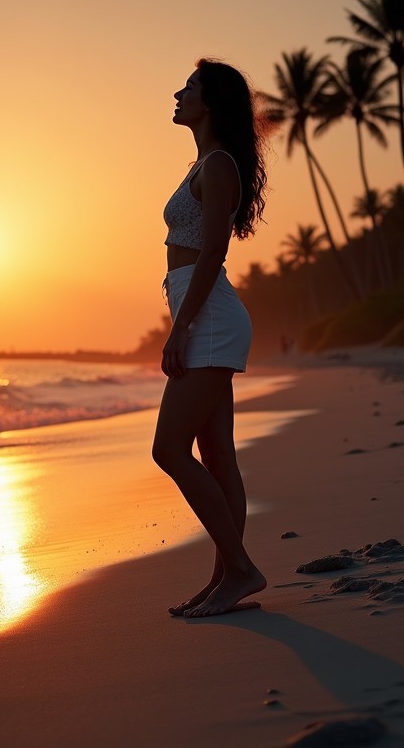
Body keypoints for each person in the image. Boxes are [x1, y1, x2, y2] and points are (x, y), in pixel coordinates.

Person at [152, 59, 268, 618]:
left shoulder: (218, 164)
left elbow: (214, 253)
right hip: (203, 314)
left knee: (168, 449)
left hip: (210, 320)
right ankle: (226, 579)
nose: (178, 93)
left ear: (212, 102)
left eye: (190, 87)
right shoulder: (204, 162)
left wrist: (180, 328)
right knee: (216, 454)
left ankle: (240, 569)